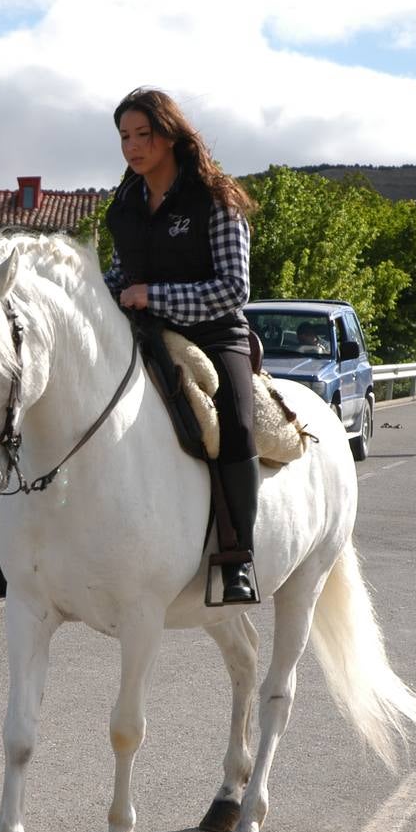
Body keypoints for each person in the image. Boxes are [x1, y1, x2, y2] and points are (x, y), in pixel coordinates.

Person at [103, 87, 261, 604]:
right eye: (125, 136)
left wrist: (154, 296)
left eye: (142, 134)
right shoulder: (124, 205)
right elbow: (119, 275)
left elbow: (233, 289)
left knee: (236, 426)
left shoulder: (216, 200)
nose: (132, 146)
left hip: (215, 335)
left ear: (168, 134)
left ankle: (238, 558)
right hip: (144, 334)